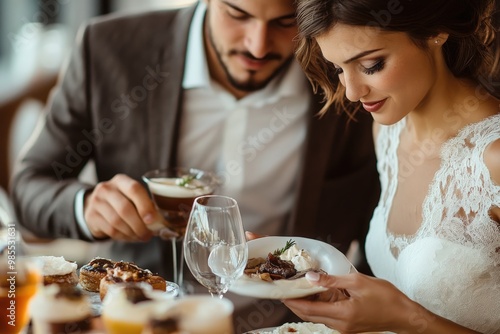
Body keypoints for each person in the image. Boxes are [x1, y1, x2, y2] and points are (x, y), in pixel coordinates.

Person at [10, 0, 380, 331]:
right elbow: (30, 186)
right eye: (237, 14)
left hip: (287, 326)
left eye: (285, 22)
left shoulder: (344, 70)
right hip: (139, 317)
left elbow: (376, 222)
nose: (257, 45)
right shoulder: (109, 48)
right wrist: (86, 205)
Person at [283, 0, 500, 333]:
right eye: (339, 69)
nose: (353, 92)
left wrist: (405, 319)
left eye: (371, 65)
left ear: (435, 32)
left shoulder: (494, 160)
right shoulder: (387, 132)